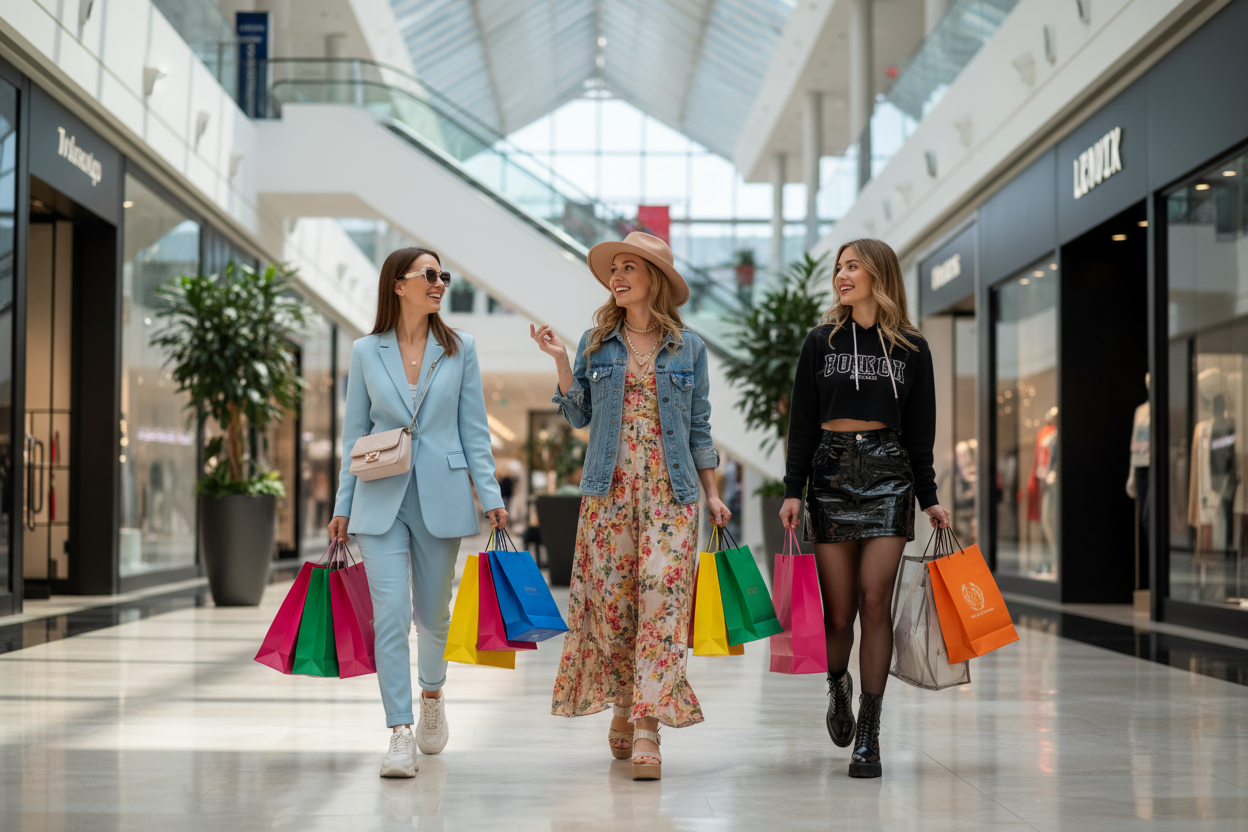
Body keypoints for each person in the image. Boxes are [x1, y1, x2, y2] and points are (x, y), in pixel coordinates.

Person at [530, 231, 731, 782]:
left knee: (662, 604)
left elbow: (698, 426)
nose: (616, 277)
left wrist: (712, 493)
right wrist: (558, 362)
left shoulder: (688, 348)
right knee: (615, 604)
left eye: (629, 268)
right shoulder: (597, 344)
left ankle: (647, 723)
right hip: (609, 492)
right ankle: (623, 701)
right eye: (613, 268)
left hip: (672, 495)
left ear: (655, 280)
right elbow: (576, 416)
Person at [328, 247, 507, 779]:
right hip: (379, 497)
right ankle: (399, 731)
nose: (439, 283)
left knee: (433, 617)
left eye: (443, 276)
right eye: (429, 275)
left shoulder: (460, 349)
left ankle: (433, 694)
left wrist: (491, 496)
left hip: (443, 494)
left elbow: (474, 429)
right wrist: (342, 505)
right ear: (398, 285)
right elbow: (352, 435)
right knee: (389, 615)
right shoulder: (365, 351)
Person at [779, 238, 951, 780]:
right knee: (839, 612)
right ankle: (838, 687)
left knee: (876, 602)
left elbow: (921, 433)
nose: (841, 275)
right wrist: (792, 489)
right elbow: (802, 424)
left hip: (889, 476)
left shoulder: (912, 348)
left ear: (878, 274)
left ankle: (870, 735)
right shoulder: (820, 342)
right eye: (838, 268)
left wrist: (930, 497)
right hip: (829, 472)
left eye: (852, 266)